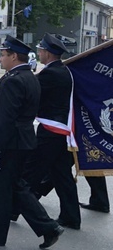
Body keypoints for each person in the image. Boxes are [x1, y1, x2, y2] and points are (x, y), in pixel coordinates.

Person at [0, 36, 64, 249]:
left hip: (9, 143)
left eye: (3, 55)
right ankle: (48, 228)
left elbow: (5, 118)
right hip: (24, 141)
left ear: (13, 56)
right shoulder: (29, 77)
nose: (0, 58)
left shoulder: (13, 80)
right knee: (16, 187)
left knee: (1, 190)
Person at [21, 33, 81, 229]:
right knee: (61, 175)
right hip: (62, 131)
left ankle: (14, 207)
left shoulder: (51, 74)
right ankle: (71, 217)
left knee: (30, 171)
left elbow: (31, 92)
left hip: (51, 131)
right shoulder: (62, 71)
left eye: (41, 50)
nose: (38, 52)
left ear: (48, 53)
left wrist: (9, 85)